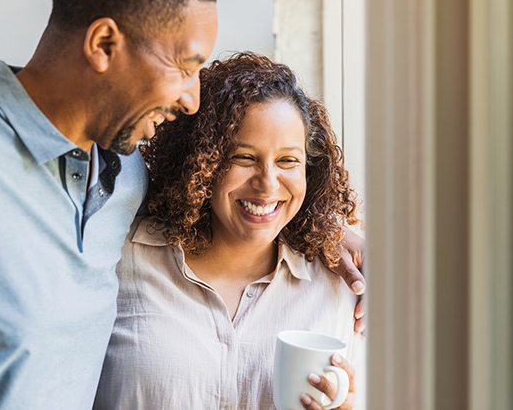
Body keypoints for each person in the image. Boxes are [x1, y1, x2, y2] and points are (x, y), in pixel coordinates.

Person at [0, 0, 218, 407]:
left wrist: (320, 234)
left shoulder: (129, 171)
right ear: (103, 45)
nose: (191, 99)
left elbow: (234, 209)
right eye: (184, 67)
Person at [93, 52, 366, 410]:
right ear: (202, 163)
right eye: (243, 157)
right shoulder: (119, 261)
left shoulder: (340, 289)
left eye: (288, 160)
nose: (267, 184)